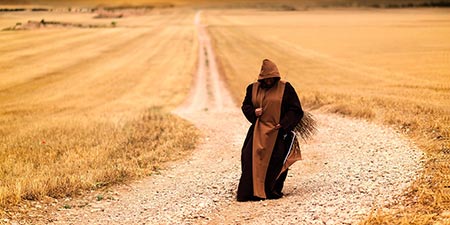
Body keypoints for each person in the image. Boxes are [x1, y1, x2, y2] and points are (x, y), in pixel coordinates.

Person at [237, 59, 304, 202]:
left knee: (276, 161)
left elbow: (296, 110)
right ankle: (250, 193)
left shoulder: (285, 88)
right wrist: (254, 112)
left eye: (271, 79)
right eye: (266, 79)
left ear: (275, 77)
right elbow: (245, 106)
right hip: (256, 132)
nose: (268, 82)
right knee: (249, 159)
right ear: (262, 78)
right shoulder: (252, 88)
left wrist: (283, 124)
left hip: (277, 132)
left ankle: (270, 191)